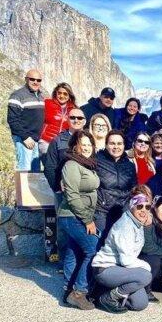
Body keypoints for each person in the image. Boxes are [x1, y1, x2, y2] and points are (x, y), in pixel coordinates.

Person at [57, 130, 99, 310]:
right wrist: (88, 220)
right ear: (76, 146)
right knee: (92, 250)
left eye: (90, 144)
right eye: (84, 144)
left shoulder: (86, 164)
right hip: (73, 216)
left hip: (77, 216)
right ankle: (79, 292)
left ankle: (67, 290)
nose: (87, 148)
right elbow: (72, 195)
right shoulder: (72, 165)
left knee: (74, 252)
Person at [91, 192, 153, 313]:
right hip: (105, 269)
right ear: (132, 207)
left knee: (140, 304)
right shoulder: (125, 225)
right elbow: (127, 260)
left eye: (147, 207)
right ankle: (108, 298)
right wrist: (147, 266)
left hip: (121, 270)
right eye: (140, 206)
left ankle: (106, 291)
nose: (144, 210)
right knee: (146, 275)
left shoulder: (137, 224)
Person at [94, 130, 137, 239]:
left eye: (119, 143)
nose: (116, 147)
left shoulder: (129, 165)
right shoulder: (97, 161)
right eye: (112, 143)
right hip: (102, 212)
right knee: (101, 246)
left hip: (122, 212)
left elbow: (133, 189)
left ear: (123, 145)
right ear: (106, 145)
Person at [43, 108, 86, 206]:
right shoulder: (57, 140)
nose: (76, 120)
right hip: (63, 193)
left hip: (86, 192)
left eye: (79, 118)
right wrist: (57, 188)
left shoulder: (89, 140)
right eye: (72, 118)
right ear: (67, 119)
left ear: (84, 121)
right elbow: (49, 167)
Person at [8, 68, 46, 171]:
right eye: (32, 79)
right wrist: (25, 137)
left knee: (35, 173)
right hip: (24, 140)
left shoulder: (41, 97)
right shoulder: (17, 96)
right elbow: (12, 120)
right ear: (26, 79)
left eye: (38, 80)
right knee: (25, 172)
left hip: (38, 140)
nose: (35, 82)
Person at [139, 196, 162, 303]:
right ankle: (145, 290)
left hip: (155, 258)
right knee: (155, 260)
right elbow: (147, 247)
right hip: (139, 257)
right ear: (155, 207)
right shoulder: (148, 221)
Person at [39, 82, 77, 156]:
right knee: (49, 165)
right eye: (59, 93)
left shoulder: (73, 109)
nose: (62, 96)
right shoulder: (47, 103)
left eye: (65, 94)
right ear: (55, 93)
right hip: (46, 142)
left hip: (63, 144)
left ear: (69, 96)